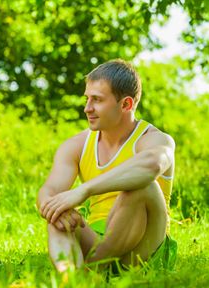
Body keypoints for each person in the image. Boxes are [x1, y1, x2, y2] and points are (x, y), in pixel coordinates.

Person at [37, 59, 176, 272]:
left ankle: (93, 271)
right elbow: (49, 191)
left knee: (143, 185)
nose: (87, 108)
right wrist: (55, 207)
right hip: (96, 238)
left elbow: (152, 165)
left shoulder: (155, 139)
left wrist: (84, 190)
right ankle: (73, 281)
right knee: (58, 216)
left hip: (144, 248)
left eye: (97, 100)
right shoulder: (76, 145)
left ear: (126, 104)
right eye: (87, 99)